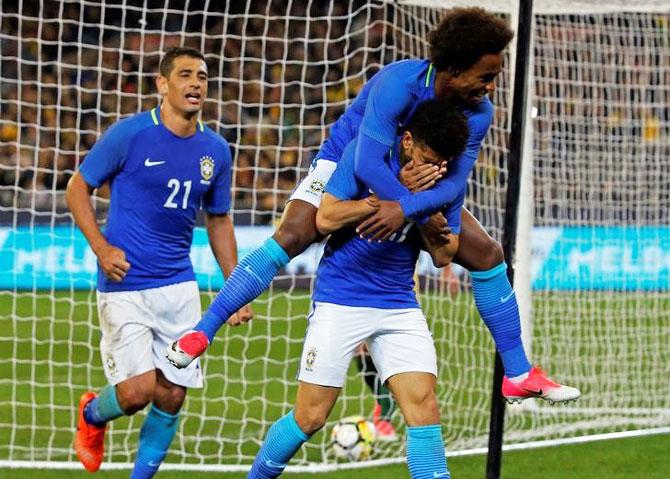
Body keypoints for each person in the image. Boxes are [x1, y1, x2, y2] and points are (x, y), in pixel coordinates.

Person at [168, 7, 580, 405]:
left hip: (420, 178)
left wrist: (417, 213)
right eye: (486, 76)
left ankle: (518, 373)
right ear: (453, 70)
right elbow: (365, 162)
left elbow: (455, 181)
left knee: (489, 254)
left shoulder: (478, 113)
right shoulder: (399, 83)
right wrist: (406, 206)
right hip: (346, 160)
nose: (491, 87)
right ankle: (201, 333)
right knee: (293, 234)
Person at [248, 99, 469, 479]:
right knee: (310, 417)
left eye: (442, 162)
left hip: (398, 304)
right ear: (408, 141)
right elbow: (326, 216)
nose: (434, 169)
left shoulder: (444, 181)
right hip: (341, 299)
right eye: (428, 158)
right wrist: (390, 196)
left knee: (424, 411)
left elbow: (445, 254)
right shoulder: (365, 156)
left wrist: (421, 210)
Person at [65, 47, 252, 478]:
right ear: (162, 84)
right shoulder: (129, 135)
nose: (196, 83)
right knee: (136, 394)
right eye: (185, 75)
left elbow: (219, 219)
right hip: (126, 283)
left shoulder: (216, 150)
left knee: (171, 396)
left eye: (203, 76)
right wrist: (101, 247)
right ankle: (93, 415)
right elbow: (78, 188)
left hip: (179, 287)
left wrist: (237, 285)